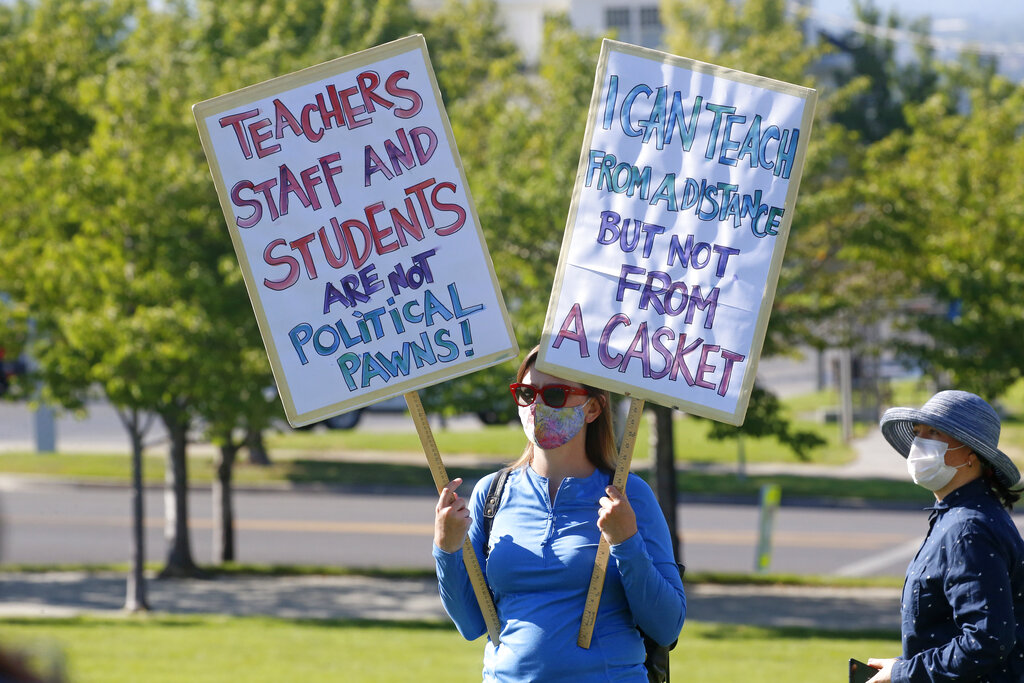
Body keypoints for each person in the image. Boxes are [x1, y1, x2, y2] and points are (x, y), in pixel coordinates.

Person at [433, 346, 686, 681]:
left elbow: (667, 627)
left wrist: (627, 542)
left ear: (593, 407)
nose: (535, 405)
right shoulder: (491, 494)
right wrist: (446, 549)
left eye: (554, 394)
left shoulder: (629, 494)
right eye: (526, 393)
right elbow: (469, 624)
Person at [866, 390, 1024, 683]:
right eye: (918, 432)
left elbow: (987, 640)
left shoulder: (968, 528)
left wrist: (904, 672)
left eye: (934, 432)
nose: (920, 442)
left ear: (971, 456)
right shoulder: (959, 516)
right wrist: (901, 666)